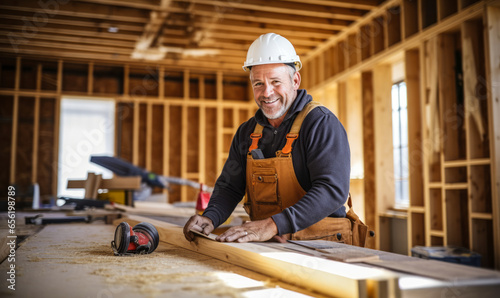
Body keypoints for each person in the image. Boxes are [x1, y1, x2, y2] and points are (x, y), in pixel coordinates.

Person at [183, 33, 351, 243]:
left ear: (295, 80)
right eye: (258, 84)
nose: (267, 92)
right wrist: (210, 217)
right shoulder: (247, 133)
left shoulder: (320, 124)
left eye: (275, 81)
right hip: (271, 247)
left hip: (324, 247)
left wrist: (273, 225)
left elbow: (331, 190)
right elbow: (229, 186)